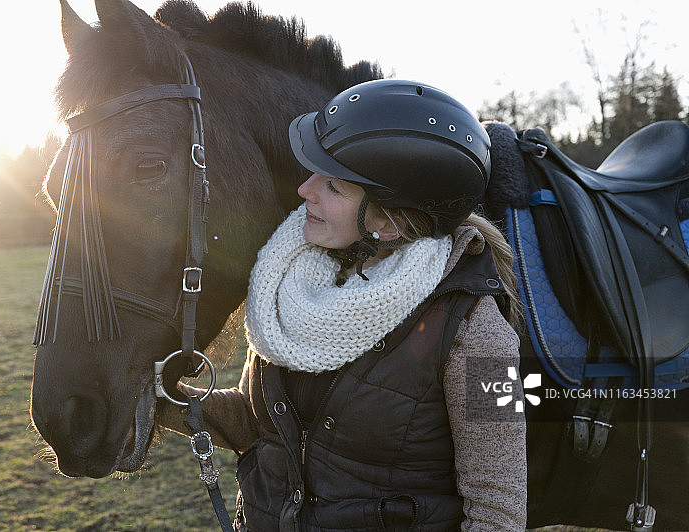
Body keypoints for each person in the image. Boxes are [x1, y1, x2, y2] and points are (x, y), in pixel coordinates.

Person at [162, 79, 527, 531]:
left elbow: (498, 508)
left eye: (333, 186)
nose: (304, 190)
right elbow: (260, 424)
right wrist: (158, 400)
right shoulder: (289, 283)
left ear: (388, 224)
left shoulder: (479, 332)